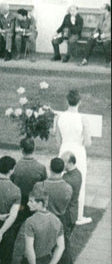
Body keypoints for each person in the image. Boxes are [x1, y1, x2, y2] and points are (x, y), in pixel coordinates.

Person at [55, 90, 92, 226]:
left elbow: (57, 141)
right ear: (79, 102)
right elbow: (88, 143)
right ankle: (78, 216)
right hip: (78, 151)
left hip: (64, 149)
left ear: (67, 101)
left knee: (61, 180)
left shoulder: (59, 117)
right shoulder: (83, 119)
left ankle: (59, 210)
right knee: (79, 183)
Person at [32, 157, 74, 264]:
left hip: (43, 219)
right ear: (62, 170)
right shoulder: (67, 188)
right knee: (62, 247)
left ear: (50, 168)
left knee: (39, 246)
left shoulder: (39, 186)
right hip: (60, 219)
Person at [19, 187, 66, 264]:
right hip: (47, 260)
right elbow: (61, 246)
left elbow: (29, 248)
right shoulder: (57, 220)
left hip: (31, 262)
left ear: (40, 203)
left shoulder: (30, 221)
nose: (28, 203)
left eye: (31, 201)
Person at [11, 137, 48, 222]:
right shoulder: (41, 168)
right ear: (34, 149)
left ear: (21, 149)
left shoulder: (15, 167)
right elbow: (44, 186)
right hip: (34, 203)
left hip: (19, 203)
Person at [60, 151, 82, 237]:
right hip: (73, 212)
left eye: (63, 162)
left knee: (64, 239)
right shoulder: (78, 173)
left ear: (71, 163)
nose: (62, 164)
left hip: (67, 215)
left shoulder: (67, 179)